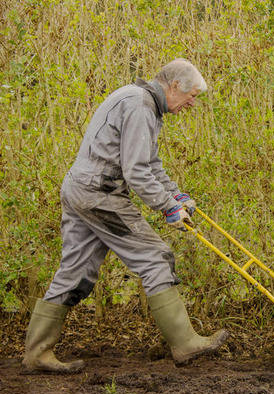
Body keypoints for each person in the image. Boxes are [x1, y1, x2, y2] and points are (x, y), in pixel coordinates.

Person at [22, 58, 229, 373]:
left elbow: (150, 162)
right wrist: (167, 207)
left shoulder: (139, 100)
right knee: (156, 257)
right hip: (99, 194)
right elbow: (136, 172)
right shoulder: (140, 107)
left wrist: (175, 194)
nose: (191, 102)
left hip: (81, 189)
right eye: (191, 96)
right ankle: (184, 342)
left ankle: (37, 354)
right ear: (175, 85)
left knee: (75, 272)